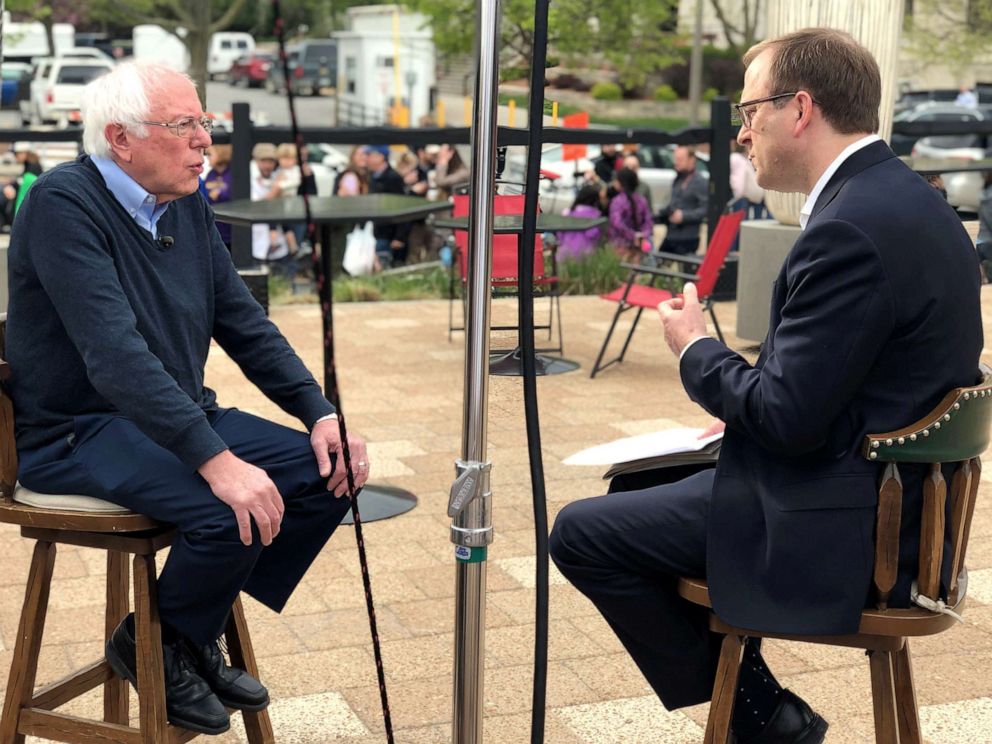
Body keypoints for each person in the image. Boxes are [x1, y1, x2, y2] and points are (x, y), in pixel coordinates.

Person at [550, 28, 982, 744]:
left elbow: (785, 420)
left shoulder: (849, 228)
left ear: (800, 109)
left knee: (584, 533)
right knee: (633, 489)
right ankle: (765, 713)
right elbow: (848, 379)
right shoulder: (909, 199)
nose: (745, 133)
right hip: (894, 503)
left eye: (750, 113)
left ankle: (765, 722)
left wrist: (697, 352)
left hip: (855, 530)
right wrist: (745, 408)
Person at [5, 61, 371, 735]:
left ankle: (172, 634)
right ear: (121, 138)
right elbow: (114, 357)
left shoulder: (186, 202)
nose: (206, 140)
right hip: (75, 432)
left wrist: (319, 411)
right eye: (185, 125)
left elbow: (243, 321)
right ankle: (175, 642)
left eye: (205, 122)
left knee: (326, 475)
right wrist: (216, 460)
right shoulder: (62, 204)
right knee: (228, 503)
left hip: (169, 417)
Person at [655, 145, 708, 255]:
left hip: (688, 237)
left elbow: (705, 209)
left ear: (691, 160)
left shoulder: (700, 182)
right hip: (671, 234)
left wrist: (684, 216)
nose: (676, 162)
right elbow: (673, 203)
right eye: (676, 159)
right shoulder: (678, 179)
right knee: (659, 265)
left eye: (680, 159)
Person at [364, 144, 407, 269]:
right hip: (376, 232)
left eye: (369, 155)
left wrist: (400, 236)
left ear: (380, 157)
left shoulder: (392, 178)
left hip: (388, 234)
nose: (367, 158)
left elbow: (402, 206)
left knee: (384, 268)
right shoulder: (374, 176)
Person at [607, 167, 653, 263]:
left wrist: (632, 235)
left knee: (621, 273)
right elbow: (648, 221)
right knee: (634, 273)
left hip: (620, 244)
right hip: (638, 244)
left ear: (621, 183)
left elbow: (616, 223)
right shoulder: (641, 200)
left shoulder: (617, 201)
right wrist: (642, 235)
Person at [556, 183, 604, 259]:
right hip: (586, 256)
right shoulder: (596, 215)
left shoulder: (567, 212)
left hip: (565, 255)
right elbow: (593, 235)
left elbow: (559, 234)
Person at [202, 144, 233, 250]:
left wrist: (220, 194)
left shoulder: (233, 173)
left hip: (231, 230)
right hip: (215, 229)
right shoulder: (211, 174)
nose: (207, 158)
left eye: (210, 154)